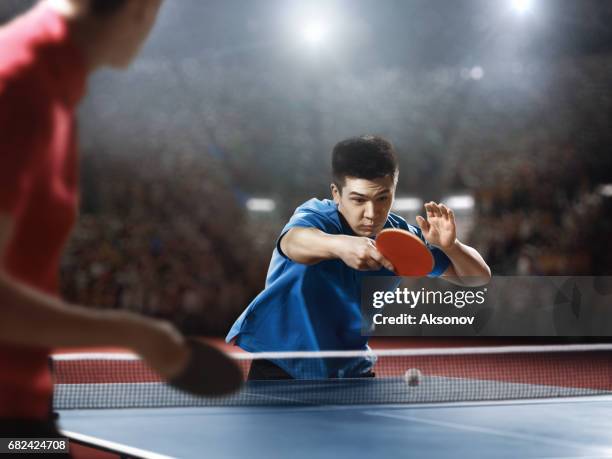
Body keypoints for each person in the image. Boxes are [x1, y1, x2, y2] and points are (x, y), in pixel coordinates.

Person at [0, 0, 190, 440]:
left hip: (23, 418)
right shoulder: (21, 88)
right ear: (141, 9)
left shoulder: (43, 82)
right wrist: (136, 333)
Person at [226, 135, 491, 379]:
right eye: (358, 199)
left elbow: (478, 278)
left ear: (393, 191)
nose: (371, 213)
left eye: (382, 198)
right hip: (283, 367)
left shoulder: (400, 237)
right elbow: (293, 242)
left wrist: (452, 246)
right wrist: (341, 245)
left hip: (352, 372)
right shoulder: (318, 216)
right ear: (336, 193)